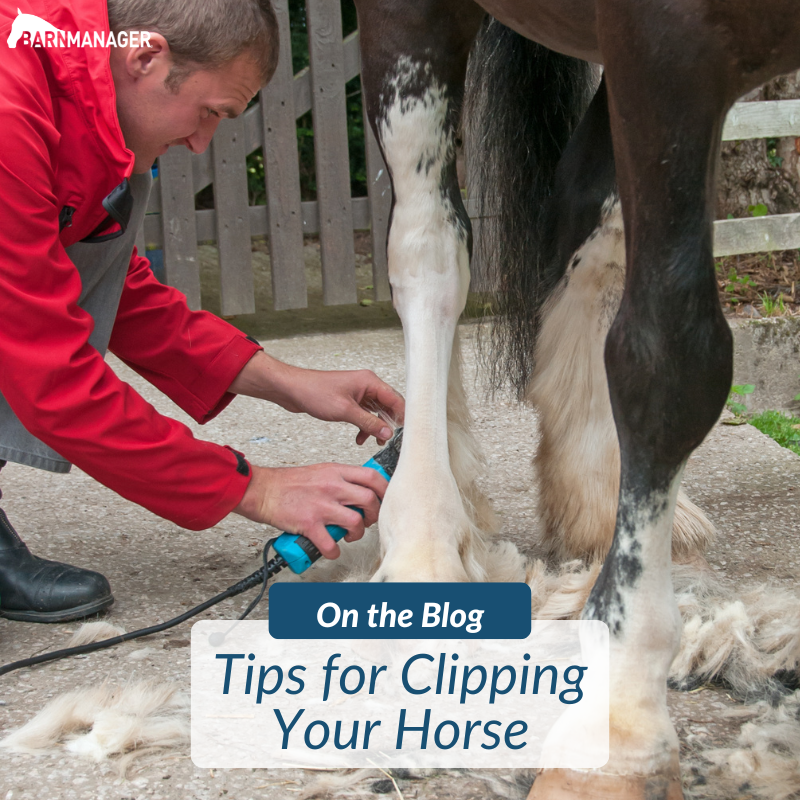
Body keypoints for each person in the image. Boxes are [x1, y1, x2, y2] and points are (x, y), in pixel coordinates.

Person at [0, 0, 404, 623]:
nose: (199, 142)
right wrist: (257, 488)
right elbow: (50, 373)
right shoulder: (10, 108)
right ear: (145, 57)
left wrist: (282, 380)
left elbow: (114, 286)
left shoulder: (79, 79)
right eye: (211, 114)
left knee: (120, 205)